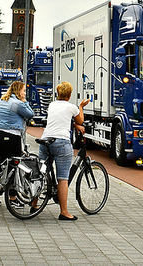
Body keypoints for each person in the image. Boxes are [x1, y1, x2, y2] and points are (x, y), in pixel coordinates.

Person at [40, 81, 90, 221]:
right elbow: (80, 120)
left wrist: (73, 124)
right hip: (61, 142)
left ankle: (34, 204)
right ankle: (64, 212)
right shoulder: (72, 107)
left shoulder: (52, 105)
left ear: (58, 93)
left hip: (45, 140)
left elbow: (59, 119)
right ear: (69, 94)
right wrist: (81, 107)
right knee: (62, 178)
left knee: (41, 172)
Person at [0, 81, 34, 207]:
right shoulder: (18, 104)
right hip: (12, 136)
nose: (25, 93)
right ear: (18, 91)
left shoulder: (2, 100)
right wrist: (25, 101)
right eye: (23, 91)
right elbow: (30, 115)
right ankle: (13, 198)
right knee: (14, 167)